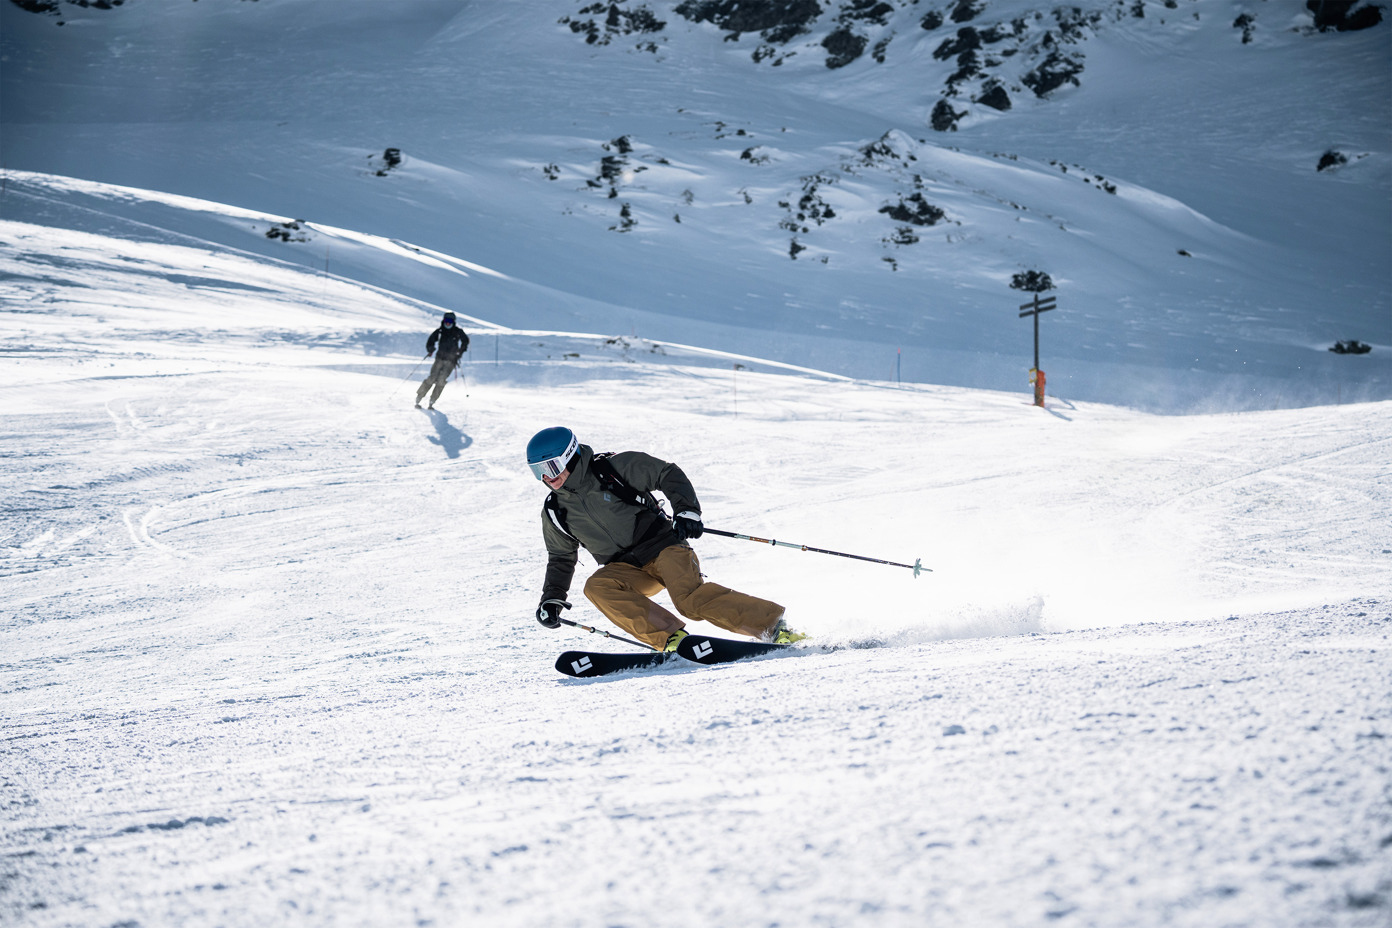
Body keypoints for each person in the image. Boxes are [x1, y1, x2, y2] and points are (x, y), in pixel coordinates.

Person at [526, 426, 806, 652]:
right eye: (538, 472)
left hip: (664, 547)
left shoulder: (611, 468)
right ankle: (672, 640)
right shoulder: (555, 509)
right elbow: (561, 557)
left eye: (550, 467)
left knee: (689, 599)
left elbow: (666, 473)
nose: (547, 478)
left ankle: (774, 627)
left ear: (569, 455)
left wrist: (687, 512)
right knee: (597, 586)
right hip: (627, 568)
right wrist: (552, 598)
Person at [415, 312, 470, 409]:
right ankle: (419, 397)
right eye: (446, 321)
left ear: (453, 322)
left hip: (451, 361)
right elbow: (430, 341)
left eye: (450, 321)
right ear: (443, 321)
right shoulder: (440, 331)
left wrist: (460, 352)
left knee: (441, 380)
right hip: (439, 359)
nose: (448, 323)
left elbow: (465, 341)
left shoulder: (457, 331)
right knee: (432, 378)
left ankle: (432, 401)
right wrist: (431, 349)